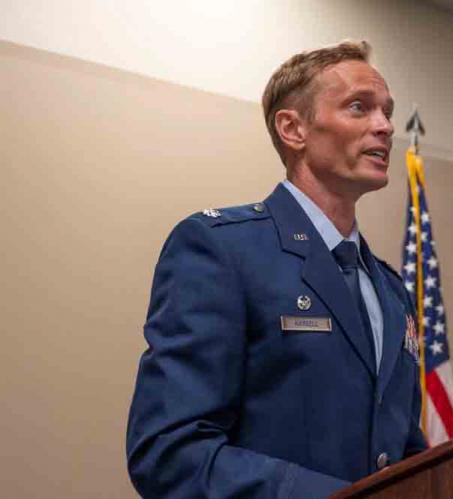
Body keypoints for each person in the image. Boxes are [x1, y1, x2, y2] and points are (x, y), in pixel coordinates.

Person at [126, 40, 427, 499]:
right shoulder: (222, 249)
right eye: (359, 108)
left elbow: (403, 453)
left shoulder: (390, 291)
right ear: (293, 129)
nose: (385, 126)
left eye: (386, 111)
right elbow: (170, 451)